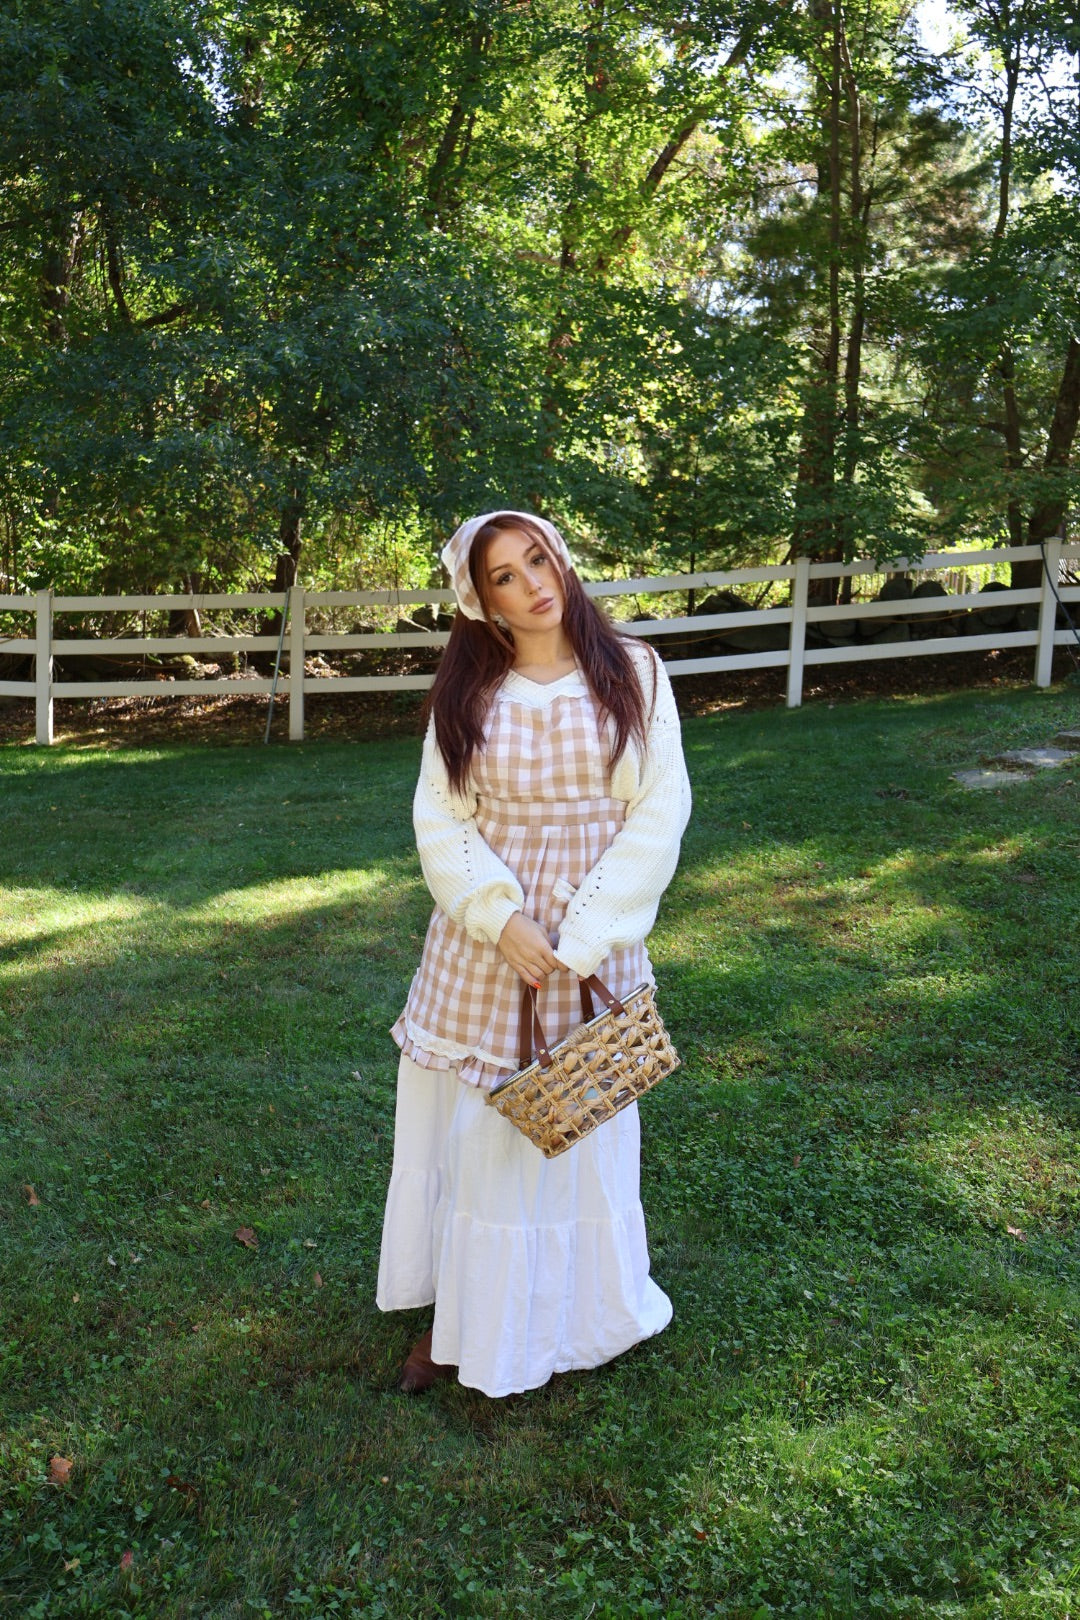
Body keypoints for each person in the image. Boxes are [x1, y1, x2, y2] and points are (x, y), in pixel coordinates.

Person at [376, 509, 691, 1397]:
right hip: (487, 947)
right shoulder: (466, 696)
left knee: (575, 1120)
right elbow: (441, 818)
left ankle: (575, 1309)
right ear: (482, 601)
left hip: (593, 946)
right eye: (505, 576)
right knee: (482, 1132)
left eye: (537, 560)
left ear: (564, 560)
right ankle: (460, 1320)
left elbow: (658, 812)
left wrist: (584, 937)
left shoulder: (634, 672)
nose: (532, 584)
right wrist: (497, 915)